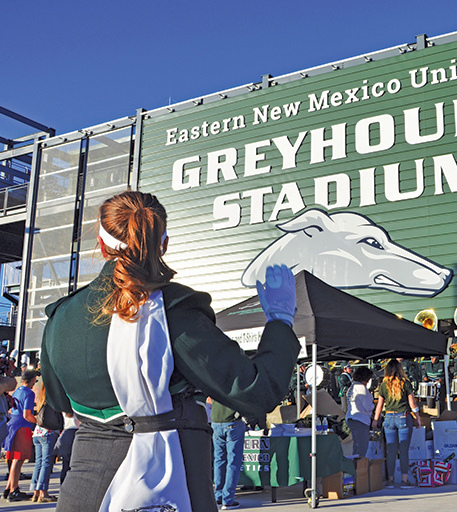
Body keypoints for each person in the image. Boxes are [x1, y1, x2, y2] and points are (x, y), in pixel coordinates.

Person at [39, 191, 300, 512]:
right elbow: (256, 391)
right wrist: (281, 320)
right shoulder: (174, 309)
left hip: (82, 494)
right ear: (162, 243)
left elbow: (60, 403)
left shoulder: (60, 317)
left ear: (101, 243)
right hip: (168, 488)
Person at [373, 359, 421, 489]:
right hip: (403, 416)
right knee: (404, 450)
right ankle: (404, 480)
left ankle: (390, 480)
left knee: (391, 450)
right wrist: (418, 418)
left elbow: (379, 405)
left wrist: (375, 420)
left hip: (388, 416)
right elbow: (412, 404)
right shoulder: (405, 383)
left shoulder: (383, 385)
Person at [3, 369, 36, 502]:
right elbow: (27, 414)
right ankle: (14, 490)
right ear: (32, 379)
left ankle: (9, 487)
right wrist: (39, 422)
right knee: (19, 459)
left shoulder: (17, 391)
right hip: (22, 426)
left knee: (14, 458)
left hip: (12, 424)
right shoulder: (29, 393)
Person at [210, 399, 247, 510]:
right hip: (232, 421)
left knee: (219, 460)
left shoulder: (215, 381)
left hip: (216, 420)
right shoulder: (237, 381)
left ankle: (218, 496)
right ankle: (228, 499)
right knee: (233, 462)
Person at [30, 381, 61, 503]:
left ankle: (35, 492)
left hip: (38, 432)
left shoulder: (41, 398)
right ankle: (43, 492)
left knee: (39, 463)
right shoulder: (53, 398)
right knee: (46, 463)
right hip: (49, 432)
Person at [346, 366, 375, 459]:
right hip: (360, 419)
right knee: (362, 448)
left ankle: (356, 468)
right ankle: (359, 469)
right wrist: (375, 405)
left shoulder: (352, 387)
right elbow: (368, 406)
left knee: (357, 445)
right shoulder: (361, 388)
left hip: (352, 417)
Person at [53, 413, 79, 484]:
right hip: (76, 432)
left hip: (66, 433)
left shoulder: (65, 410)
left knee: (65, 464)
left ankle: (63, 485)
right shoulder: (77, 408)